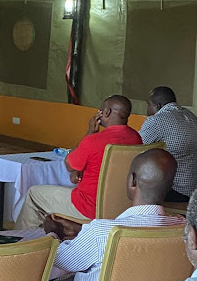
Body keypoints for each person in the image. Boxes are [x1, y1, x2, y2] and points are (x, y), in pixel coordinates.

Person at [42, 148, 184, 281]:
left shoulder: (103, 231)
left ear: (132, 180)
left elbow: (57, 260)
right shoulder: (184, 228)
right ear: (169, 186)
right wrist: (83, 230)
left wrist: (53, 234)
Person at [16, 96, 142, 230]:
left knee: (34, 194)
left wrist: (89, 132)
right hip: (122, 206)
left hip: (88, 207)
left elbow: (68, 164)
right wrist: (79, 170)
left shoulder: (94, 140)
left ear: (106, 112)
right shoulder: (136, 138)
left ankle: (25, 241)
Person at [140, 86, 197, 202]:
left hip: (178, 190)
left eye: (148, 104)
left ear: (158, 106)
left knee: (136, 182)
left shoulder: (157, 120)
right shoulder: (191, 116)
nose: (147, 108)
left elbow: (133, 149)